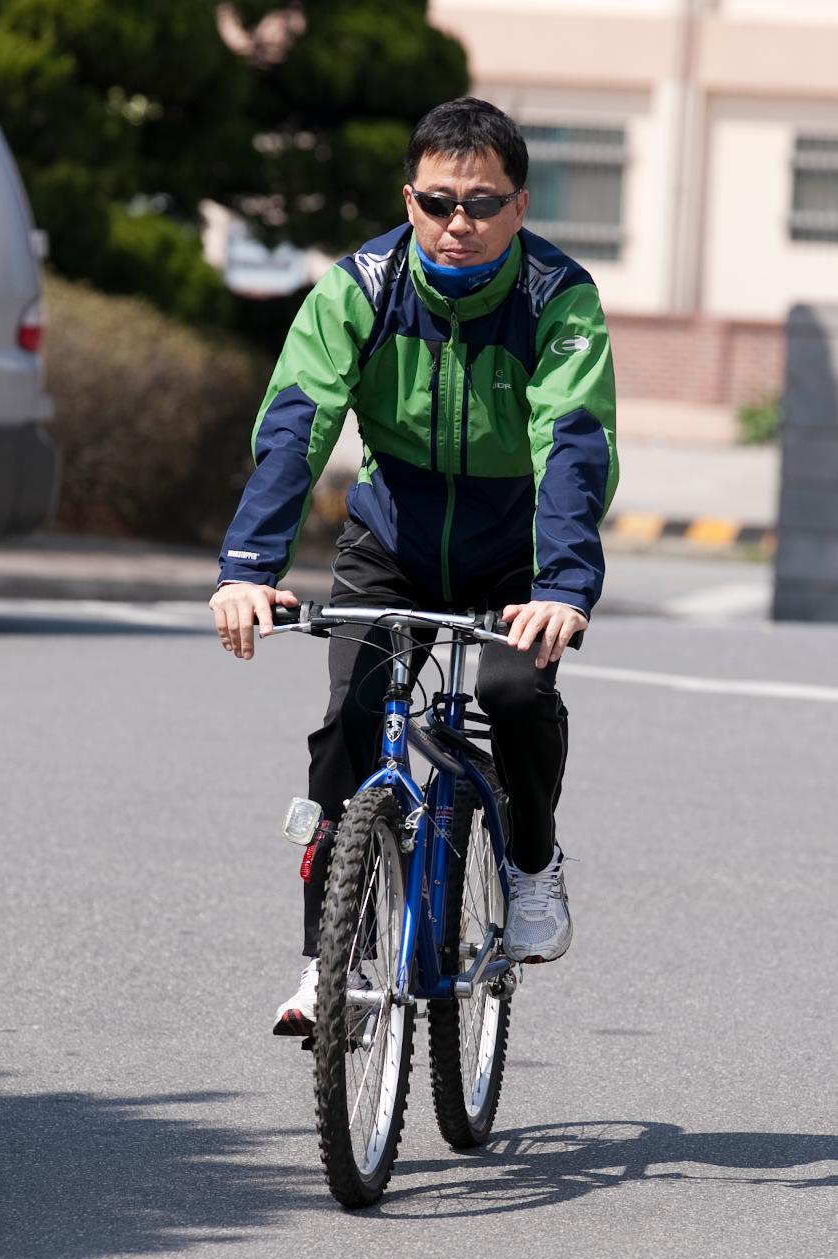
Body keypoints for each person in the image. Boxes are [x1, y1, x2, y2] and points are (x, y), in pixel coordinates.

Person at [209, 97, 618, 1036]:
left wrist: (560, 588)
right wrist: (247, 565)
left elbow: (574, 442)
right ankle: (326, 964)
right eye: (436, 203)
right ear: (409, 198)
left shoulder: (557, 298)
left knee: (514, 693)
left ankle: (530, 862)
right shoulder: (362, 284)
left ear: (520, 207)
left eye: (481, 203)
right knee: (347, 726)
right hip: (389, 539)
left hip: (513, 546)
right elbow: (295, 421)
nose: (457, 224)